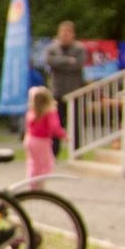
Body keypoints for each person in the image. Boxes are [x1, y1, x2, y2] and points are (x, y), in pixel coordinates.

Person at [42, 21, 88, 153]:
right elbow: (50, 62)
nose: (65, 36)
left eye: (68, 33)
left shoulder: (80, 48)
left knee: (76, 124)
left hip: (75, 92)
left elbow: (78, 64)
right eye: (63, 33)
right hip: (57, 91)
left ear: (73, 34)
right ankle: (54, 152)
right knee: (55, 123)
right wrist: (68, 60)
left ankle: (77, 151)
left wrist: (61, 62)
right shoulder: (52, 48)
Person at [22, 87, 64, 181]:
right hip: (42, 141)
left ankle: (32, 182)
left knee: (33, 163)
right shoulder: (50, 112)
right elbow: (55, 126)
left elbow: (27, 127)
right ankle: (39, 184)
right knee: (46, 163)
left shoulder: (31, 112)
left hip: (30, 140)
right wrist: (63, 135)